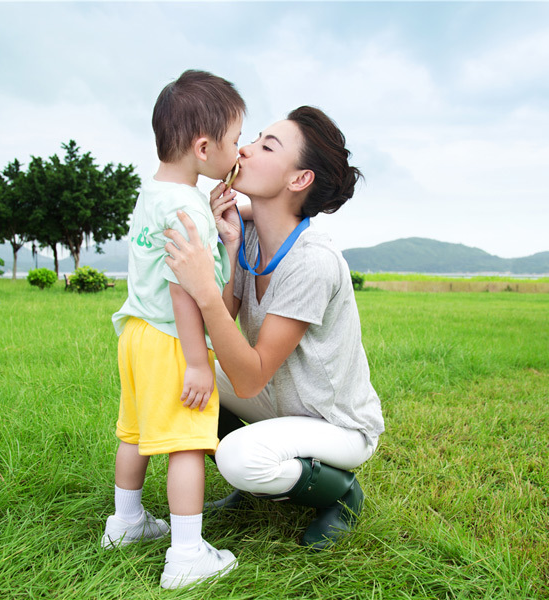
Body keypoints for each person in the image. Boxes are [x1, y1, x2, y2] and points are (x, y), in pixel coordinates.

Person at [163, 106, 385, 550]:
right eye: (255, 138)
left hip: (336, 423)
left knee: (239, 457)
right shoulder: (246, 236)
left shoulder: (312, 262)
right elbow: (220, 331)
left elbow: (248, 375)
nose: (245, 148)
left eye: (267, 146)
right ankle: (255, 489)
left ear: (298, 179)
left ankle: (340, 495)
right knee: (182, 371)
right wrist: (222, 245)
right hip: (279, 402)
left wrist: (204, 289)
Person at [101, 69, 243, 589]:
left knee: (136, 433)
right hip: (171, 338)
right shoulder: (189, 209)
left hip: (136, 332)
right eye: (235, 140)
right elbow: (186, 289)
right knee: (187, 442)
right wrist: (198, 361)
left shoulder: (158, 195)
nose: (240, 150)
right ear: (205, 148)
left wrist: (213, 228)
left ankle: (127, 522)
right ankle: (186, 555)